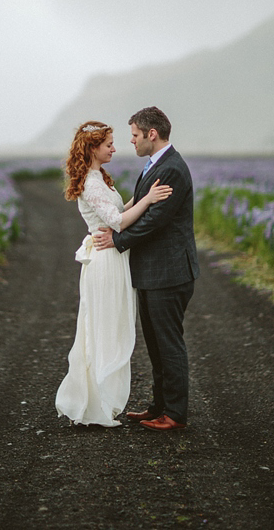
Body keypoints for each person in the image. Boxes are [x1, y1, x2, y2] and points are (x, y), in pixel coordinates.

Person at [55, 120, 173, 428]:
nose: (115, 148)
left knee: (112, 327)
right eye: (109, 144)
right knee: (104, 329)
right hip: (106, 261)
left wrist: (144, 192)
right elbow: (118, 222)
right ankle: (95, 403)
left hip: (113, 258)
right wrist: (148, 200)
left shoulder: (98, 178)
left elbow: (119, 210)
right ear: (93, 148)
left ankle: (101, 398)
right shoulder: (91, 183)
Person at [93, 106, 199, 431]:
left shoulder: (171, 170)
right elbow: (142, 210)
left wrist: (117, 239)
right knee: (155, 344)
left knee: (169, 343)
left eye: (135, 136)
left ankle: (175, 415)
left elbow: (155, 221)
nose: (132, 142)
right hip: (155, 272)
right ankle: (159, 407)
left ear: (152, 134)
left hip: (169, 273)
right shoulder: (157, 165)